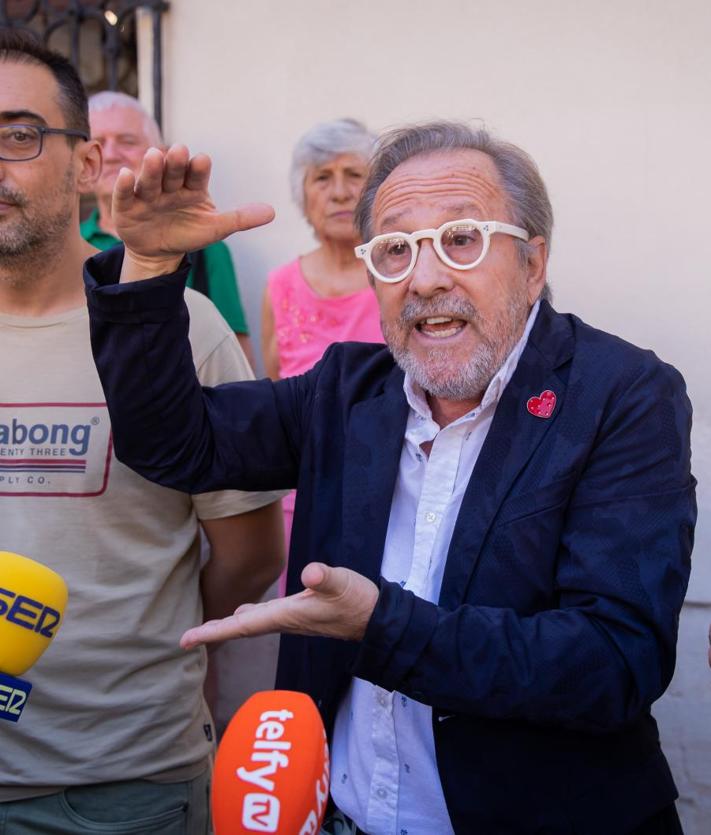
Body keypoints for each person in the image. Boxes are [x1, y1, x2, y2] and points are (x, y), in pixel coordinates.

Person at [85, 121, 696, 835]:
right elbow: (170, 443)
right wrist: (152, 270)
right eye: (397, 248)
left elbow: (613, 660)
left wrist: (381, 627)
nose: (426, 277)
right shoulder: (347, 391)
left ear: (532, 264)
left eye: (461, 238)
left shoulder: (620, 394)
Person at [0, 32, 284, 834]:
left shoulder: (179, 330)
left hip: (125, 785)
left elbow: (252, 550)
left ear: (88, 166)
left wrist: (144, 635)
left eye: (19, 135)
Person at [261, 118, 383, 567]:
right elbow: (278, 398)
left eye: (354, 175)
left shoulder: (399, 277)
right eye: (322, 178)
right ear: (304, 195)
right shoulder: (280, 286)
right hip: (303, 495)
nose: (340, 192)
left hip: (388, 493)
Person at [82, 90, 256, 367]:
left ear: (159, 153)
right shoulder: (68, 245)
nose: (112, 154)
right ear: (84, 160)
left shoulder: (206, 248)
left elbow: (233, 360)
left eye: (127, 141)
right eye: (99, 143)